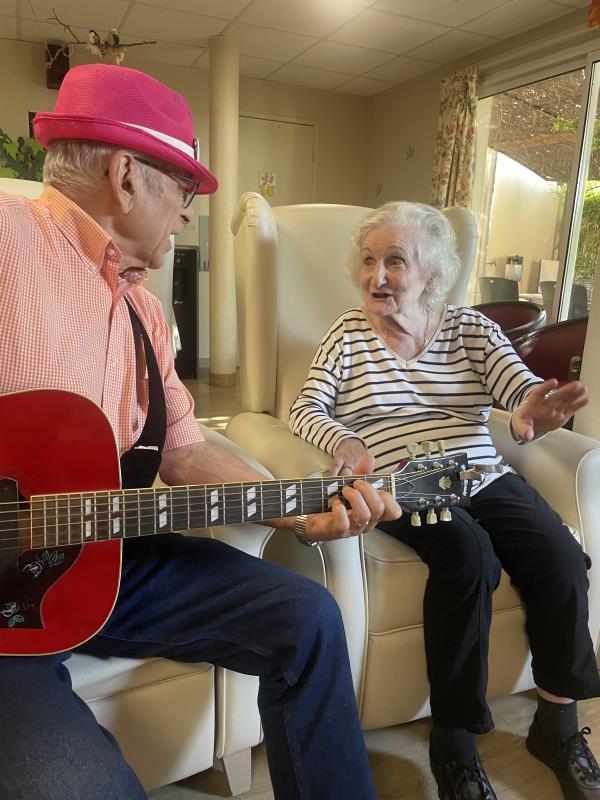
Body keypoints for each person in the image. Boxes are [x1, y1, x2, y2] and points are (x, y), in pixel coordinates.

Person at [0, 63, 402, 800]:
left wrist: (302, 507)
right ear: (126, 177)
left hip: (106, 563)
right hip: (8, 615)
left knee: (309, 617)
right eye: (184, 188)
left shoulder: (146, 314)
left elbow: (183, 447)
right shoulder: (6, 238)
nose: (190, 213)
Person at [289, 200, 600, 800]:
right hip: (403, 483)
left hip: (481, 475)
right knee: (467, 554)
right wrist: (345, 439)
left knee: (561, 556)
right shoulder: (347, 333)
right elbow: (307, 407)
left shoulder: (471, 330)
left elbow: (518, 387)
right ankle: (454, 744)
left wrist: (533, 408)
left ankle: (557, 727)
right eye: (369, 261)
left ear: (432, 273)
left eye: (395, 261)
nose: (377, 276)